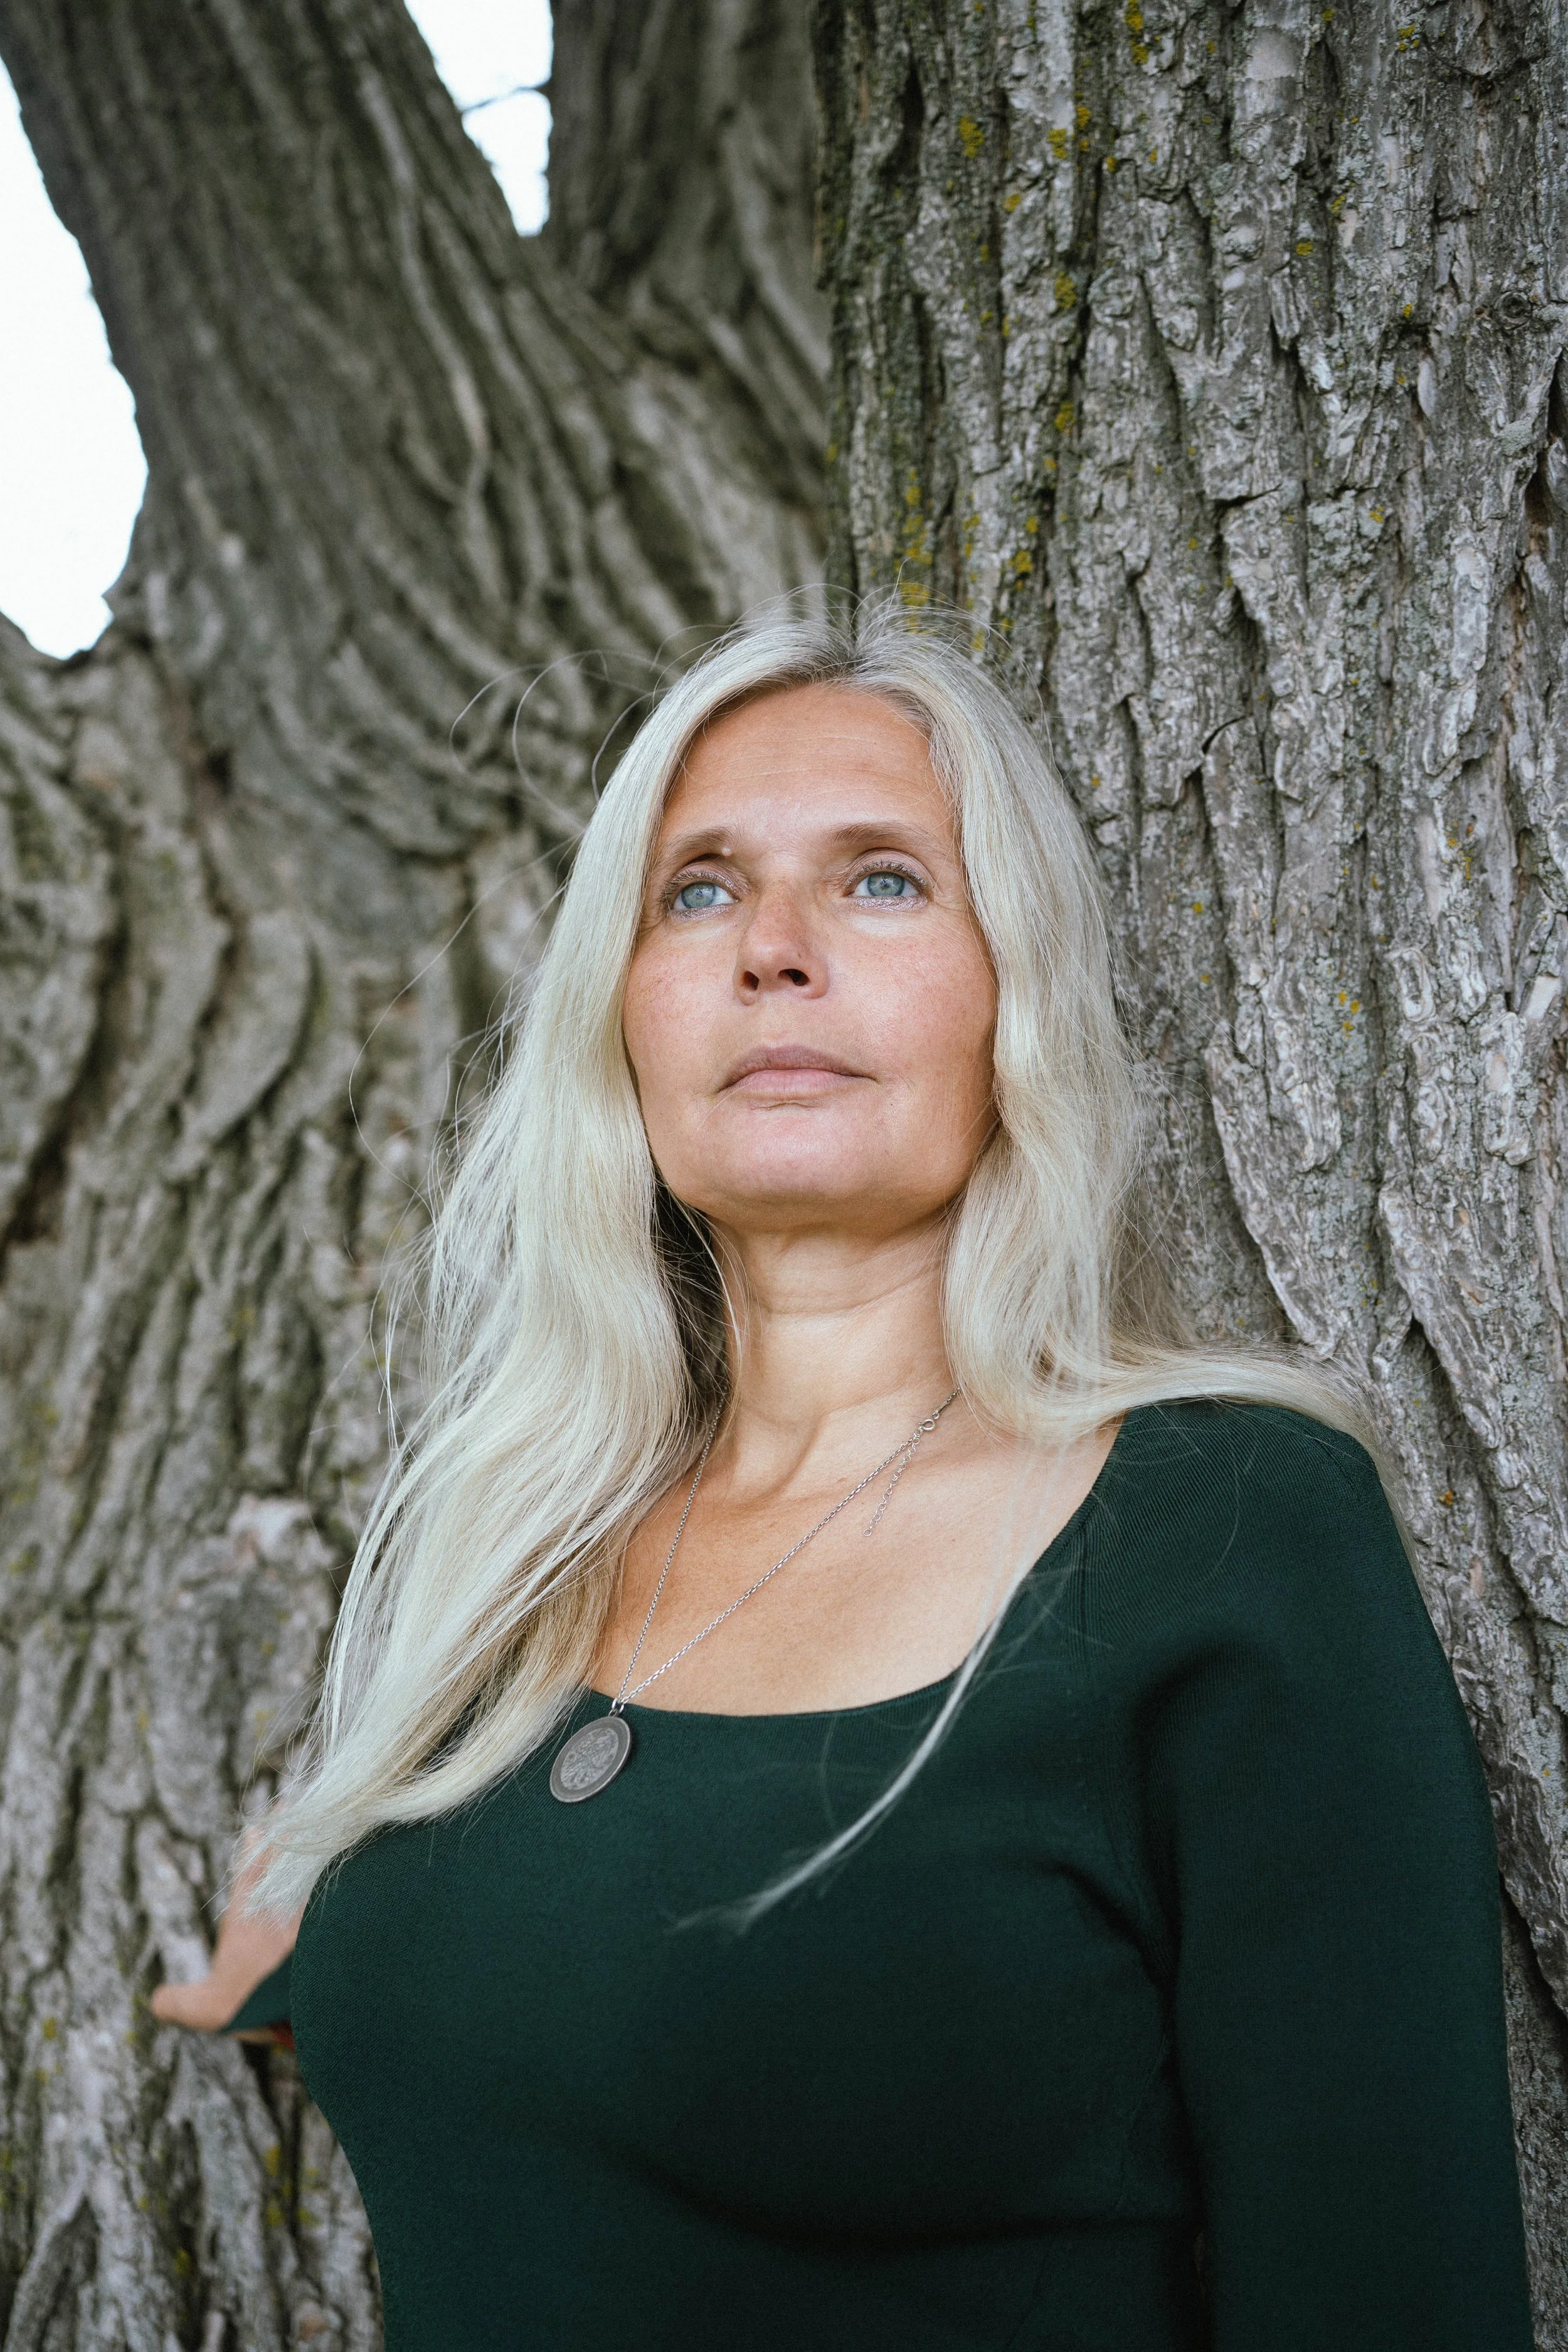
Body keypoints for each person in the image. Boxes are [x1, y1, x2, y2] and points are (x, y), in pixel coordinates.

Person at [154, 603, 1534, 2349]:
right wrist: (333, 1914)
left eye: (881, 879)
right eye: (699, 888)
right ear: (624, 1013)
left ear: (1015, 990)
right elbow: (607, 1959)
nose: (773, 949)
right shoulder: (515, 1556)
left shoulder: (1224, 1534)